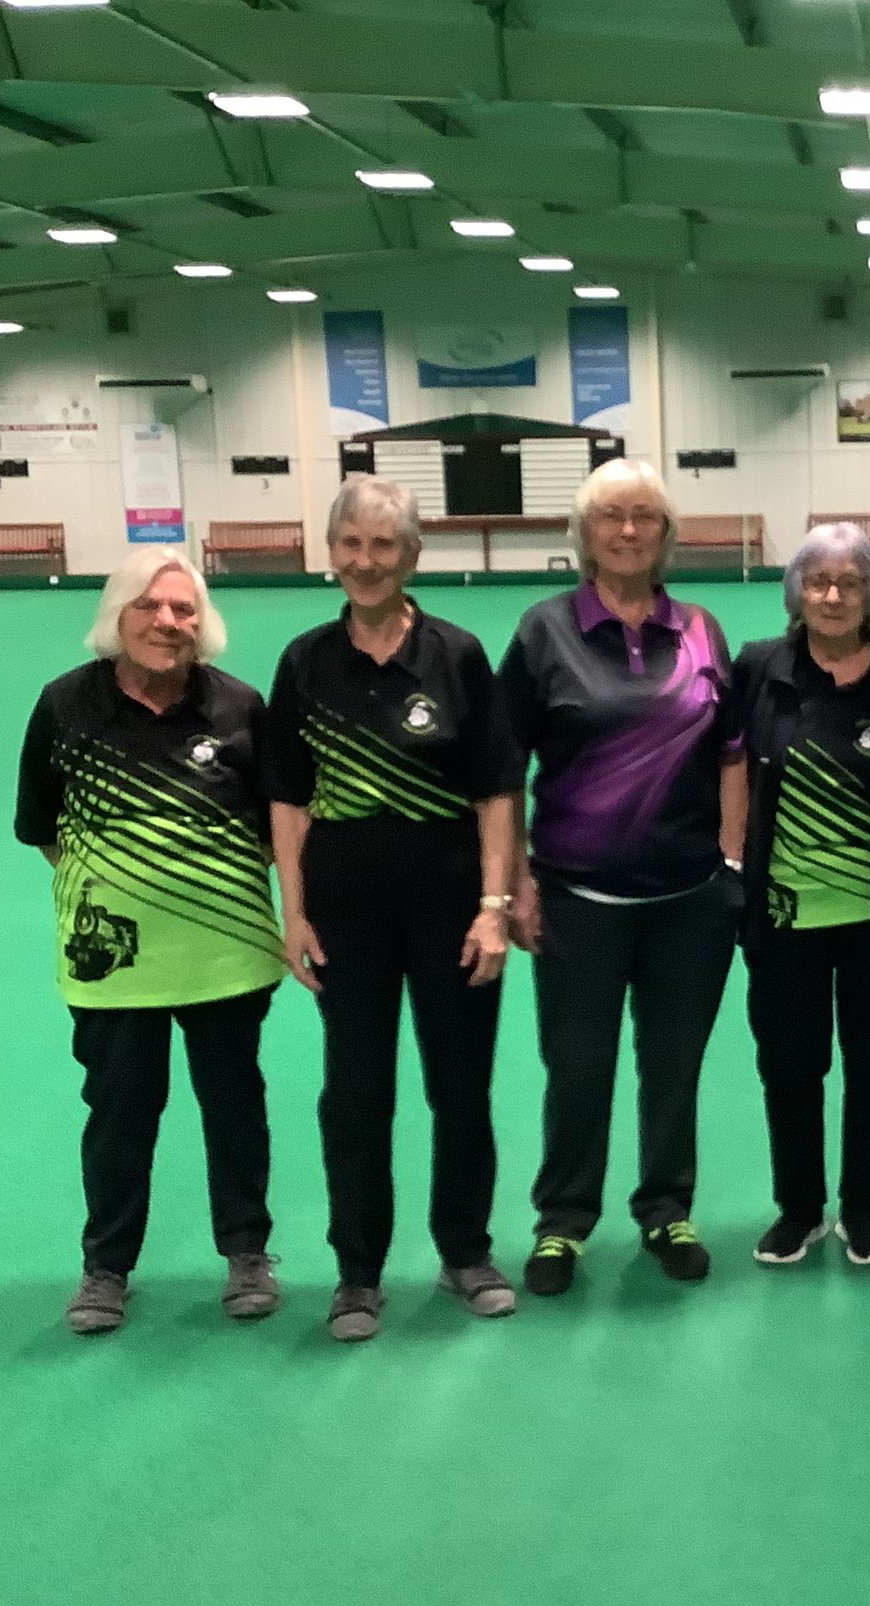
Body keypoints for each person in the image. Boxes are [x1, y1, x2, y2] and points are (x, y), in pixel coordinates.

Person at [265, 477, 522, 1344]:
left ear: (413, 556)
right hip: (346, 907)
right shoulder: (304, 662)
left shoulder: (458, 655)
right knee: (356, 1091)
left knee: (461, 1087)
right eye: (351, 545)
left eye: (384, 546)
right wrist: (294, 915)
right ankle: (358, 1271)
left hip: (450, 902)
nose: (365, 562)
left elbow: (495, 790)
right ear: (331, 552)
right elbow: (288, 802)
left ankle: (465, 1251)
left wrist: (495, 908)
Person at [15, 546, 285, 1335]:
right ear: (118, 616)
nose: (169, 623)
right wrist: (119, 891)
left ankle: (247, 1252)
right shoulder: (65, 705)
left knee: (236, 1105)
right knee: (120, 1111)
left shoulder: (240, 708)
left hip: (227, 955)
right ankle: (106, 1268)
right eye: (151, 607)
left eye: (184, 609)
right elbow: (42, 828)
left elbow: (275, 831)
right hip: (115, 964)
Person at [497, 458, 746, 1296]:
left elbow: (734, 756)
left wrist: (733, 864)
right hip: (576, 896)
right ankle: (563, 1220)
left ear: (667, 535)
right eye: (612, 517)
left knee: (673, 1064)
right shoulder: (543, 631)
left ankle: (667, 1206)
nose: (629, 530)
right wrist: (516, 880)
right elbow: (503, 769)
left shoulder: (704, 629)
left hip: (689, 901)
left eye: (646, 517)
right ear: (585, 535)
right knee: (577, 1066)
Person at [735, 524, 870, 1269]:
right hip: (785, 914)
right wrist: (731, 867)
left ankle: (861, 1206)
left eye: (849, 582)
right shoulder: (759, 669)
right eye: (818, 581)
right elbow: (730, 770)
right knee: (790, 1064)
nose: (832, 595)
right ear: (797, 590)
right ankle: (798, 1207)